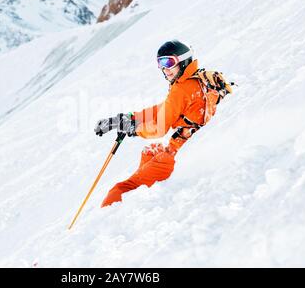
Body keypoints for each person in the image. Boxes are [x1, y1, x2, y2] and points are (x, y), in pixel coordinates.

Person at [94, 40, 230, 207]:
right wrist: (132, 118)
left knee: (119, 190)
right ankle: (145, 191)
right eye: (160, 63)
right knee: (149, 152)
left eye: (169, 62)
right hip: (182, 146)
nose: (164, 69)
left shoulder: (181, 89)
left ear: (183, 60)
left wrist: (134, 129)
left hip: (175, 155)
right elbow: (165, 109)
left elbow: (159, 128)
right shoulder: (193, 80)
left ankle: (113, 214)